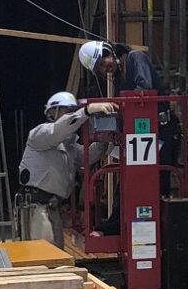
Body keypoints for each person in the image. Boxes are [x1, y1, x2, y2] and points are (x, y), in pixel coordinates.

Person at [16, 90, 116, 245]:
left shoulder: (69, 146)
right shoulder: (40, 134)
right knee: (43, 254)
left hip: (51, 208)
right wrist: (86, 111)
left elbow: (87, 156)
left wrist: (104, 139)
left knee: (55, 252)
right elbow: (58, 130)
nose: (71, 114)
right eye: (66, 111)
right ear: (52, 112)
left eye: (72, 111)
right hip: (36, 208)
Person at [77, 39, 158, 94]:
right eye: (99, 69)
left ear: (109, 52)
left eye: (102, 63)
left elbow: (145, 89)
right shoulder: (118, 79)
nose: (104, 69)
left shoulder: (136, 57)